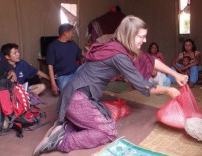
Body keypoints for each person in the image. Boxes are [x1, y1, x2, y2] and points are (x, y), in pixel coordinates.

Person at [33, 15, 188, 155]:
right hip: (77, 98)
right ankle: (61, 141)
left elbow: (151, 60)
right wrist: (168, 89)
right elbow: (144, 86)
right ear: (129, 36)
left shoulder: (118, 46)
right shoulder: (119, 55)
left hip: (75, 93)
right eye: (142, 36)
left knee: (104, 120)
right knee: (108, 131)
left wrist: (176, 75)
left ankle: (63, 128)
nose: (145, 40)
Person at [47, 23, 81, 95]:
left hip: (76, 72)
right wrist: (53, 84)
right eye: (72, 33)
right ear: (66, 33)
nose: (73, 35)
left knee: (84, 92)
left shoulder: (72, 43)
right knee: (67, 96)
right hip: (63, 77)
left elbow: (81, 54)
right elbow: (50, 67)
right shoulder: (52, 47)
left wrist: (94, 55)